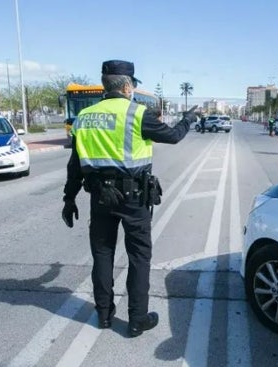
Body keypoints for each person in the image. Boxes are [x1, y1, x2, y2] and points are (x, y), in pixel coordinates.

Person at [61, 59, 197, 338]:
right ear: (126, 86)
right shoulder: (137, 114)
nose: (133, 89)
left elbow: (75, 164)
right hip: (133, 198)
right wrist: (188, 120)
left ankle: (104, 316)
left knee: (102, 254)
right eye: (133, 85)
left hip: (99, 197)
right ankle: (137, 319)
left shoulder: (84, 117)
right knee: (138, 257)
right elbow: (172, 136)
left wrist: (69, 198)